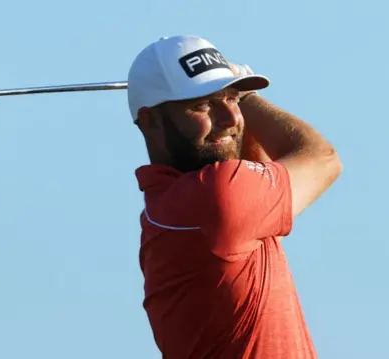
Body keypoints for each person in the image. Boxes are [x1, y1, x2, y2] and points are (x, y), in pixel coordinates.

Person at [127, 35, 342, 359]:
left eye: (230, 100)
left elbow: (257, 165)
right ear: (151, 121)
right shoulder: (216, 196)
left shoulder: (174, 207)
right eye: (202, 105)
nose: (229, 118)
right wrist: (248, 97)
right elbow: (323, 160)